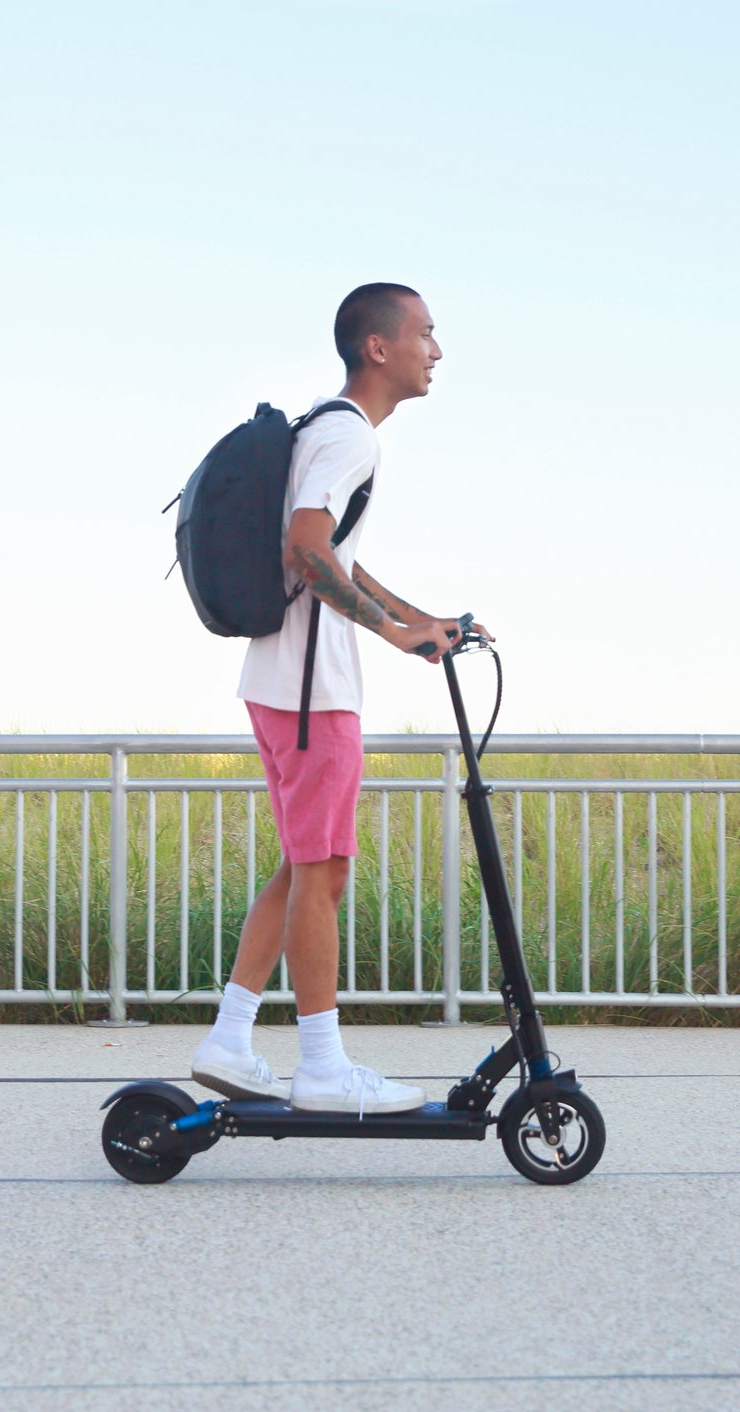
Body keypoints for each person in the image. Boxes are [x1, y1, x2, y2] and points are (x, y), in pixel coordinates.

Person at [191, 283, 490, 1114]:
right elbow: (306, 549)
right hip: (309, 698)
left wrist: (418, 617)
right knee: (321, 876)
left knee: (302, 870)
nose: (436, 350)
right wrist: (393, 638)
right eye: (425, 334)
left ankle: (229, 1037)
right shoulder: (348, 438)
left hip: (285, 687)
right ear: (378, 348)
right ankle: (320, 1067)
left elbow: (336, 556)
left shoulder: (324, 430)